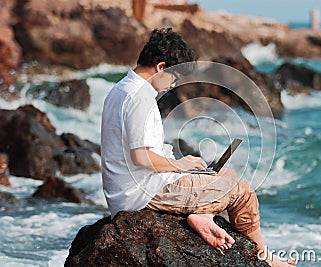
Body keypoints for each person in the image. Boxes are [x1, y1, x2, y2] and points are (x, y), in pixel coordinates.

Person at [101, 28, 296, 267]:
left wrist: (182, 168)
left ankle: (203, 214)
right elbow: (141, 157)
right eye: (174, 78)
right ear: (161, 67)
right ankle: (265, 259)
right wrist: (178, 164)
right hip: (143, 193)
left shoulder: (122, 89)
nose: (172, 85)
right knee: (243, 193)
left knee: (226, 174)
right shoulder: (139, 97)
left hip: (135, 187)